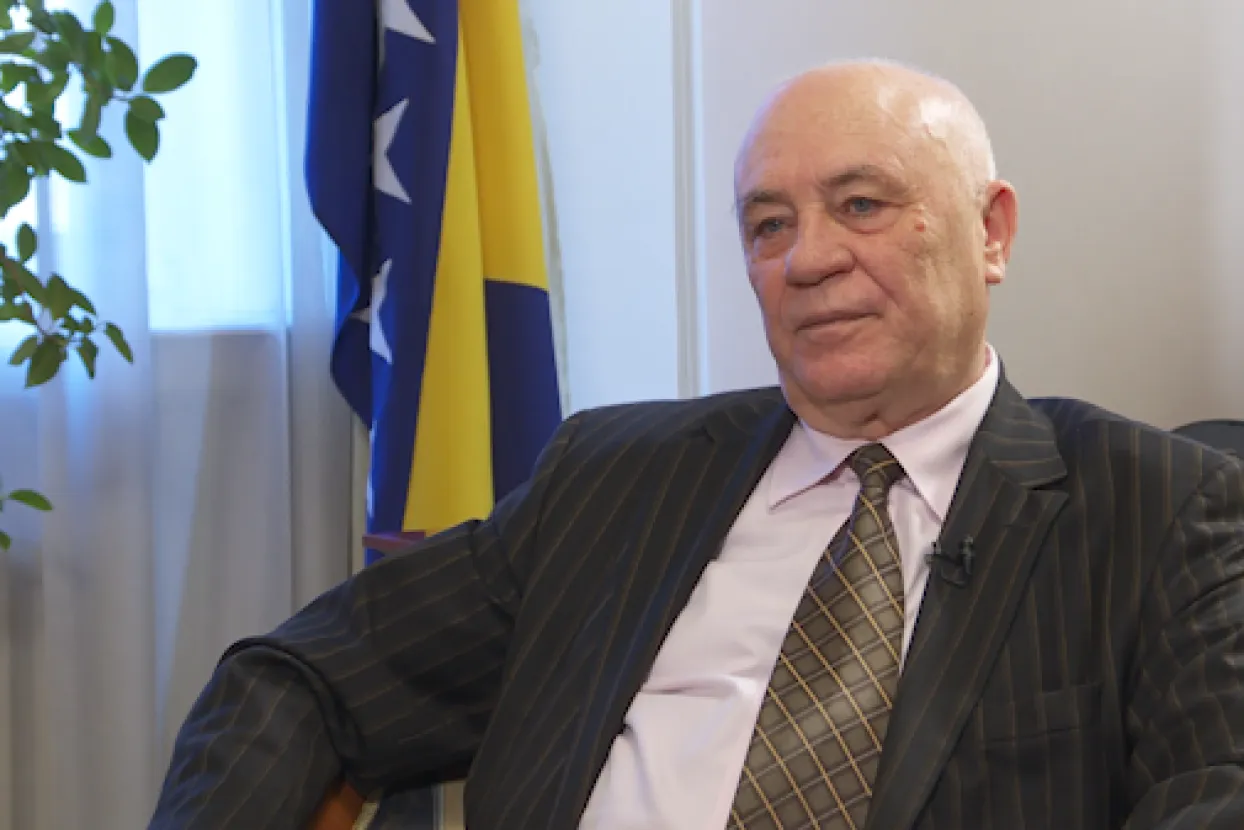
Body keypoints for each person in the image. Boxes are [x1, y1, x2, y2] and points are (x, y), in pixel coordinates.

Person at [150, 59, 1244, 830]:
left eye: (861, 205)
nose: (806, 259)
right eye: (768, 224)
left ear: (989, 230)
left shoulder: (1162, 512)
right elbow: (300, 675)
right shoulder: (612, 479)